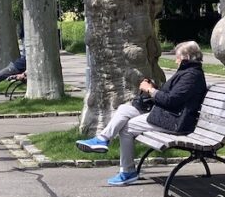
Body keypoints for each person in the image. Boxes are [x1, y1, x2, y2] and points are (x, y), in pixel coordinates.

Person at [75, 41, 208, 186]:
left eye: (177, 57)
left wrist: (151, 90)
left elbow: (171, 101)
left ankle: (128, 172)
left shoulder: (191, 76)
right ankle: (102, 139)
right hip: (169, 114)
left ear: (186, 57)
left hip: (176, 121)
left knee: (127, 127)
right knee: (124, 109)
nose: (176, 61)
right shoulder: (187, 72)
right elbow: (172, 96)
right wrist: (153, 87)